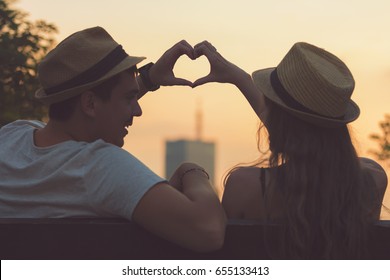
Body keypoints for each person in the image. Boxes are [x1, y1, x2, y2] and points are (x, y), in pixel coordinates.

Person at [0, 27, 226, 252]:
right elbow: (209, 230)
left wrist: (148, 79)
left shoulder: (12, 137)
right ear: (89, 104)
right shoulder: (97, 167)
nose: (138, 111)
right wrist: (192, 170)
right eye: (130, 97)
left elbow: (97, 108)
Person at [192, 41, 387, 258]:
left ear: (279, 122)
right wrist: (240, 79)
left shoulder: (245, 187)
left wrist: (193, 175)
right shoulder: (372, 181)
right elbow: (312, 138)